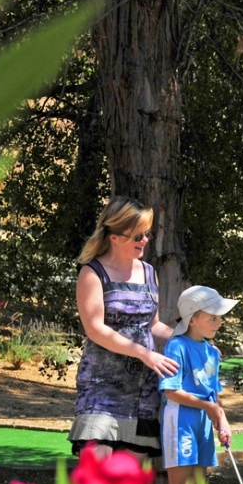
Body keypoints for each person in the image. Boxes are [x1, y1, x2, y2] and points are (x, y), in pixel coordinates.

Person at [69, 197, 179, 461]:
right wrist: (144, 353)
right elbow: (95, 329)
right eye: (136, 236)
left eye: (146, 234)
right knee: (96, 477)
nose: (144, 241)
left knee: (128, 483)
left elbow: (154, 326)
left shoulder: (149, 272)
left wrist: (191, 340)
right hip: (101, 389)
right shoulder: (92, 273)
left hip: (143, 395)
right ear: (114, 236)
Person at [159, 285, 237, 484]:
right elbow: (171, 391)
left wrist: (222, 419)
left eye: (219, 318)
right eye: (212, 318)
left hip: (203, 423)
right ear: (192, 320)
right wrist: (209, 408)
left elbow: (213, 395)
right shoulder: (177, 346)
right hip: (181, 420)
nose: (218, 323)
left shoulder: (212, 352)